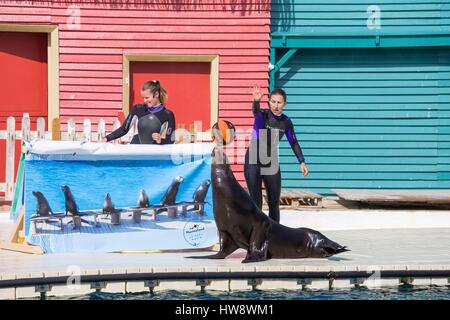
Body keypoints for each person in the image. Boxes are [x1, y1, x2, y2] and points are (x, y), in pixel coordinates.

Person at [244, 85, 309, 223]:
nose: (276, 105)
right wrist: (256, 101)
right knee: (256, 202)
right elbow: (255, 111)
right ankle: (256, 235)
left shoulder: (286, 122)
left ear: (284, 103)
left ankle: (275, 236)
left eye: (279, 102)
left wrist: (301, 161)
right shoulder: (262, 115)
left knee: (274, 202)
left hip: (270, 160)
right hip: (253, 158)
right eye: (273, 101)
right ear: (269, 102)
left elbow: (294, 142)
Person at [104, 80, 176, 144]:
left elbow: (171, 140)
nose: (144, 101)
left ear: (156, 94)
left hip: (153, 153)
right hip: (135, 149)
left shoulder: (168, 114)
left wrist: (160, 140)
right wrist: (106, 138)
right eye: (143, 98)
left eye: (147, 98)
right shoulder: (138, 109)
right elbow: (123, 129)